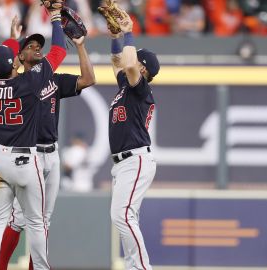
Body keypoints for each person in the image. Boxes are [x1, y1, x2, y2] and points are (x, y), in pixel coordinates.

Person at [0, 12, 96, 270]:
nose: (37, 50)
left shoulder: (51, 79)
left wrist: (82, 47)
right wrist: (52, 20)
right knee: (20, 218)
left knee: (44, 221)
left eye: (39, 46)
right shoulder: (21, 82)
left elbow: (89, 80)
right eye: (31, 47)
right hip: (29, 155)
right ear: (19, 57)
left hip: (52, 153)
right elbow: (57, 51)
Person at [0, 0, 67, 268]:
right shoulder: (29, 83)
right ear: (14, 63)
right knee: (37, 221)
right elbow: (58, 51)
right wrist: (57, 17)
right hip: (24, 162)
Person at [106, 9, 159, 270]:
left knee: (123, 216)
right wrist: (116, 36)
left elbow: (127, 64)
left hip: (135, 158)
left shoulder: (140, 87)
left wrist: (128, 32)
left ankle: (141, 268)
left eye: (136, 58)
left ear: (143, 67)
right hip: (125, 161)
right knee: (124, 217)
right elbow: (118, 61)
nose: (131, 58)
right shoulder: (128, 86)